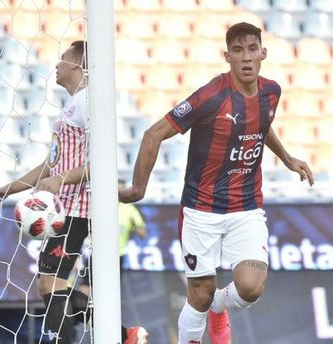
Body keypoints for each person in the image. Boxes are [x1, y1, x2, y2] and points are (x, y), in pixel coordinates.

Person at [119, 22, 314, 344]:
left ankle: (218, 308)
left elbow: (260, 126)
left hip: (246, 206)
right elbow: (153, 134)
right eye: (238, 51)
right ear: (228, 57)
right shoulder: (212, 96)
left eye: (252, 49)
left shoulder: (271, 92)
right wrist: (138, 189)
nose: (246, 58)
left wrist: (288, 158)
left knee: (250, 287)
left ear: (263, 53)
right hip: (201, 210)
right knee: (200, 293)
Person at [0, 41, 147, 344]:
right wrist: (5, 190)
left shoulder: (88, 102)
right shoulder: (72, 106)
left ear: (77, 64)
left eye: (63, 59)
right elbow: (51, 163)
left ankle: (123, 334)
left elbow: (100, 159)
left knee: (50, 283)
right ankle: (126, 334)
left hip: (78, 206)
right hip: (66, 206)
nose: (57, 65)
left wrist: (62, 180)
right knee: (51, 284)